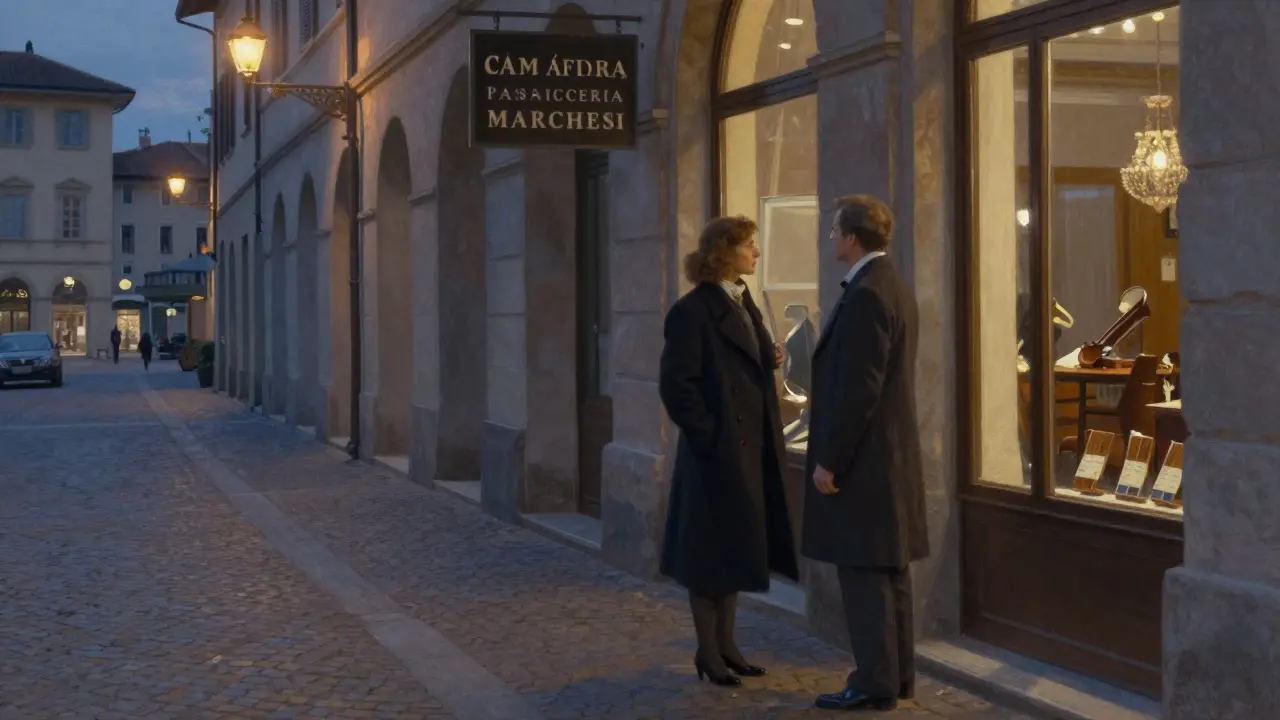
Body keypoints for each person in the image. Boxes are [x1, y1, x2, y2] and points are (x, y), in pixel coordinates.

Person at [658, 215, 799, 689]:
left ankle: (728, 646)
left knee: (735, 550)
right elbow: (678, 387)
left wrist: (770, 356)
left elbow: (745, 359)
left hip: (751, 450)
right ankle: (707, 651)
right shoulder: (692, 311)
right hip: (715, 457)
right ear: (724, 252)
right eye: (748, 246)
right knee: (708, 557)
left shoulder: (742, 299)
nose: (756, 253)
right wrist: (710, 437)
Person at [802, 195, 928, 712]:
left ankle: (874, 682)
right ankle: (895, 677)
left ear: (852, 237)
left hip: (866, 464)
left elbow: (859, 389)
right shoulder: (892, 286)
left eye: (834, 230)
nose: (830, 238)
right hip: (887, 460)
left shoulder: (868, 294)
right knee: (889, 573)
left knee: (865, 576)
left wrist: (830, 460)